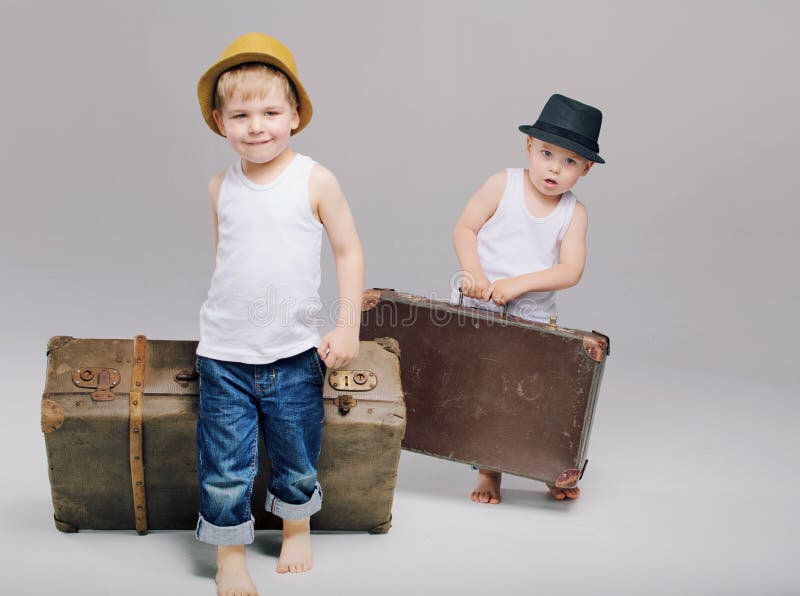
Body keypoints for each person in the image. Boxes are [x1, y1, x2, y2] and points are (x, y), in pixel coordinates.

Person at [194, 32, 364, 594]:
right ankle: (229, 554)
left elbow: (348, 250)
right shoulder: (221, 186)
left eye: (270, 111)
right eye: (240, 114)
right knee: (224, 466)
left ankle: (296, 527)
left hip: (292, 354)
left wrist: (347, 324)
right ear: (220, 122)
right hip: (223, 355)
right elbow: (228, 261)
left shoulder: (314, 179)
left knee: (296, 452)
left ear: (294, 115)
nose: (256, 125)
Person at [452, 93, 605, 505]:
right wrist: (474, 273)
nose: (555, 167)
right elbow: (466, 228)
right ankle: (489, 470)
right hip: (481, 304)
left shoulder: (574, 213)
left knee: (532, 392)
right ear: (529, 147)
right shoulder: (502, 184)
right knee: (485, 391)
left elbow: (570, 270)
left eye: (570, 161)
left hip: (531, 313)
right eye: (547, 153)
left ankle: (544, 467)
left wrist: (518, 285)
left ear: (586, 168)